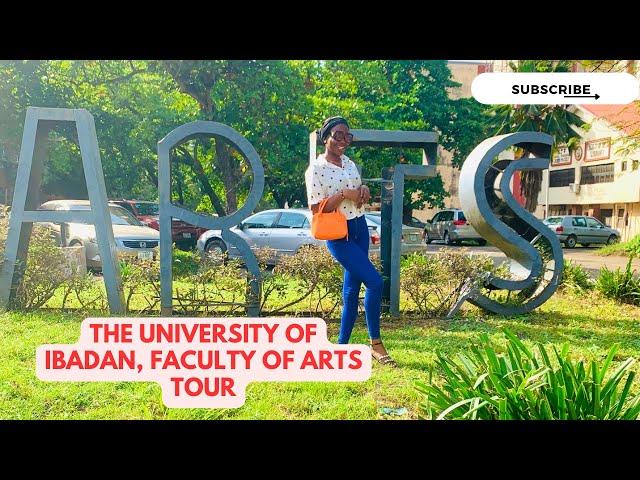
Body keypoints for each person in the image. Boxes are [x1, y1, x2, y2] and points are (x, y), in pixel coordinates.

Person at [305, 116, 396, 367]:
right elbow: (316, 208)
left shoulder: (349, 163)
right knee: (375, 282)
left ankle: (341, 348)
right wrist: (343, 194)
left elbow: (358, 194)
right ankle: (375, 343)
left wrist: (363, 190)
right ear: (326, 138)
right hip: (338, 233)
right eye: (338, 135)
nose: (344, 141)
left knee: (351, 291)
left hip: (359, 227)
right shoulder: (316, 169)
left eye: (348, 136)